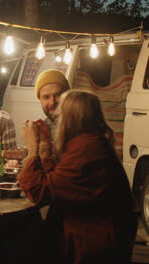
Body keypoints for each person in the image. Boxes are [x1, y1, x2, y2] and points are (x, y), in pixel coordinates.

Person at [19, 90, 137, 264]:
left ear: (70, 119)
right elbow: (60, 181)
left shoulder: (87, 150)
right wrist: (45, 144)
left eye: (61, 116)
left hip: (94, 241)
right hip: (96, 231)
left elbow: (40, 192)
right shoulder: (87, 143)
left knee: (17, 235)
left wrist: (32, 147)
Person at [35, 69, 70, 134]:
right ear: (40, 99)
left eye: (58, 95)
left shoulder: (81, 125)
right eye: (46, 97)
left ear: (68, 95)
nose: (52, 102)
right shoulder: (45, 127)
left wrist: (33, 144)